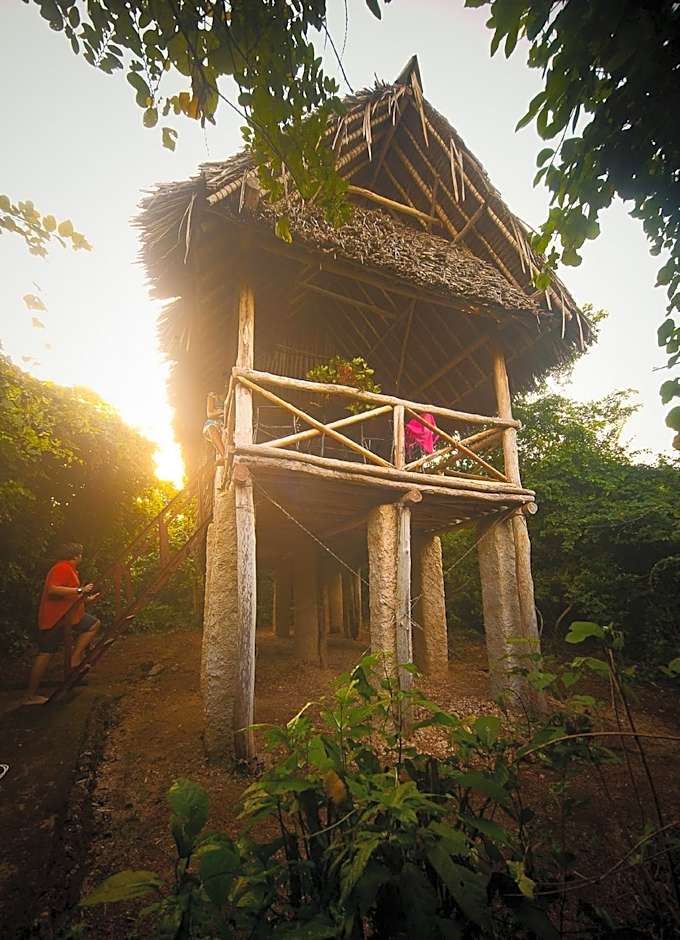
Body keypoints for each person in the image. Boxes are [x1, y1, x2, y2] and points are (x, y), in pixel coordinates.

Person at [24, 542, 101, 705]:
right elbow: (53, 589)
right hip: (55, 619)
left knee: (93, 624)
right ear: (75, 556)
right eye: (80, 554)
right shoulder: (61, 568)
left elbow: (69, 596)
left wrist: (87, 599)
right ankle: (29, 696)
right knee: (46, 653)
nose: (82, 557)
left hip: (69, 616)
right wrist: (81, 590)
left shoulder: (71, 570)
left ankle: (75, 658)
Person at [202, 391, 226, 462]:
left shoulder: (229, 393)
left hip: (224, 423)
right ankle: (224, 456)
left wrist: (218, 412)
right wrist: (222, 412)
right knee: (211, 428)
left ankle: (223, 456)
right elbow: (209, 414)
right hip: (213, 422)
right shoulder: (212, 396)